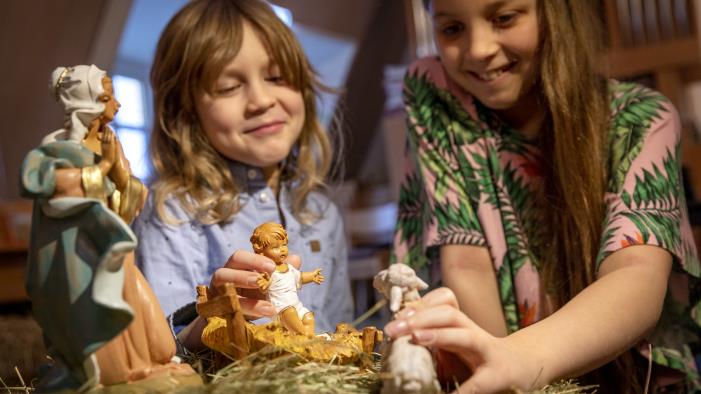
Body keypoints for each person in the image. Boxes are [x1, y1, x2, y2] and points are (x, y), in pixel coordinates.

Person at [387, 0, 701, 393]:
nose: (478, 49)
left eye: (503, 18)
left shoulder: (643, 119)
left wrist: (520, 361)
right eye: (452, 29)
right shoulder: (437, 94)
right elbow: (466, 262)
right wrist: (496, 367)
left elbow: (636, 273)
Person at [132, 0, 353, 352]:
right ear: (185, 111)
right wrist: (214, 317)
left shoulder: (323, 215)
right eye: (228, 87)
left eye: (277, 77)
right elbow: (161, 347)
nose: (261, 100)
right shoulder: (170, 213)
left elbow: (342, 324)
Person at [21, 65, 194, 389]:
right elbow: (47, 186)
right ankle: (122, 376)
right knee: (104, 336)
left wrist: (118, 172)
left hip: (116, 254)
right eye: (108, 97)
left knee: (162, 344)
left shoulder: (110, 144)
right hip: (79, 263)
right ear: (89, 103)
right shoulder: (55, 149)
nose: (117, 104)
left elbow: (129, 204)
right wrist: (104, 168)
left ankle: (147, 368)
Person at [251, 222, 325, 336]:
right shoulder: (269, 271)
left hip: (296, 305)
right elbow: (265, 285)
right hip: (282, 308)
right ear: (261, 252)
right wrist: (264, 283)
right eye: (275, 247)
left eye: (284, 245)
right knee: (296, 326)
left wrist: (312, 276)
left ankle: (309, 339)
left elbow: (299, 277)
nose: (282, 250)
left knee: (309, 318)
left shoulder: (289, 268)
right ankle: (302, 339)